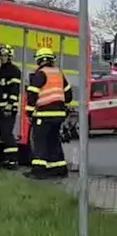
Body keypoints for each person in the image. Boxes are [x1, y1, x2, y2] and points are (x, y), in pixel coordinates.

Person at [25, 47, 76, 179]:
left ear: (39, 60)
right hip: (58, 115)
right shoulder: (59, 74)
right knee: (53, 141)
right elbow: (68, 95)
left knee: (40, 141)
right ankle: (59, 168)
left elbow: (32, 95)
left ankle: (39, 170)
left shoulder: (39, 74)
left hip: (43, 115)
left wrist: (29, 112)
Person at [0, 44, 23, 169]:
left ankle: (13, 160)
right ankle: (5, 160)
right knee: (2, 135)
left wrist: (10, 105)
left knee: (7, 134)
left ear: (9, 57)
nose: (2, 58)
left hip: (8, 109)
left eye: (4, 56)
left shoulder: (14, 71)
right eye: (1, 56)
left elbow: (15, 90)